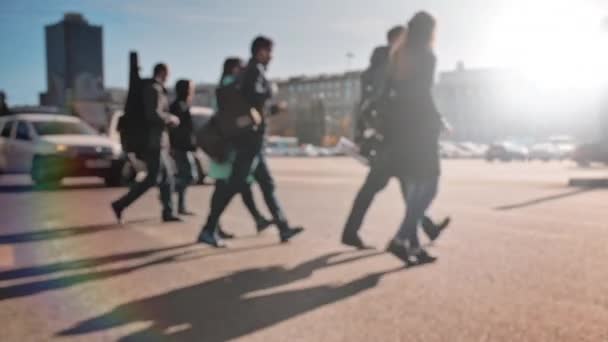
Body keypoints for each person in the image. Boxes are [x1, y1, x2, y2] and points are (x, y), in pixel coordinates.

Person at [343, 23, 449, 253]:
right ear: (396, 40)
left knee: (402, 188)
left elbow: (365, 105)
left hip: (389, 138)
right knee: (396, 187)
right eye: (404, 38)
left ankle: (420, 233)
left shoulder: (380, 67)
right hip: (392, 139)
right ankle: (406, 240)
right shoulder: (389, 65)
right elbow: (395, 100)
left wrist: (361, 134)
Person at [197, 36, 303, 248]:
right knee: (234, 184)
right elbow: (254, 96)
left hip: (253, 139)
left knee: (266, 184)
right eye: (270, 51)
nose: (272, 56)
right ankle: (208, 229)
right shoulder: (254, 70)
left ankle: (283, 227)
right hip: (249, 140)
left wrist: (271, 109)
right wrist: (271, 89)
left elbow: (254, 107)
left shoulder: (251, 70)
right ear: (261, 51)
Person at [208, 57, 274, 239]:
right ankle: (211, 227)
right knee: (227, 185)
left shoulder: (225, 85)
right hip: (229, 143)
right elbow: (235, 114)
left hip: (227, 141)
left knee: (240, 184)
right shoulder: (231, 85)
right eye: (241, 67)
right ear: (234, 69)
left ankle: (255, 219)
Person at [111, 63, 182, 223]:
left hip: (158, 142)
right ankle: (120, 204)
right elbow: (153, 114)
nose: (168, 77)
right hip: (153, 142)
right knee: (153, 178)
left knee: (167, 177)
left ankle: (168, 212)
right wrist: (170, 118)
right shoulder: (153, 89)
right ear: (162, 73)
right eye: (167, 74)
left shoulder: (154, 89)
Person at [169, 79, 198, 216]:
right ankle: (168, 188)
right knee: (190, 176)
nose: (193, 91)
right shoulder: (178, 106)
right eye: (191, 88)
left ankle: (181, 206)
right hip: (181, 147)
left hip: (184, 147)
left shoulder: (183, 105)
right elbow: (176, 130)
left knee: (185, 175)